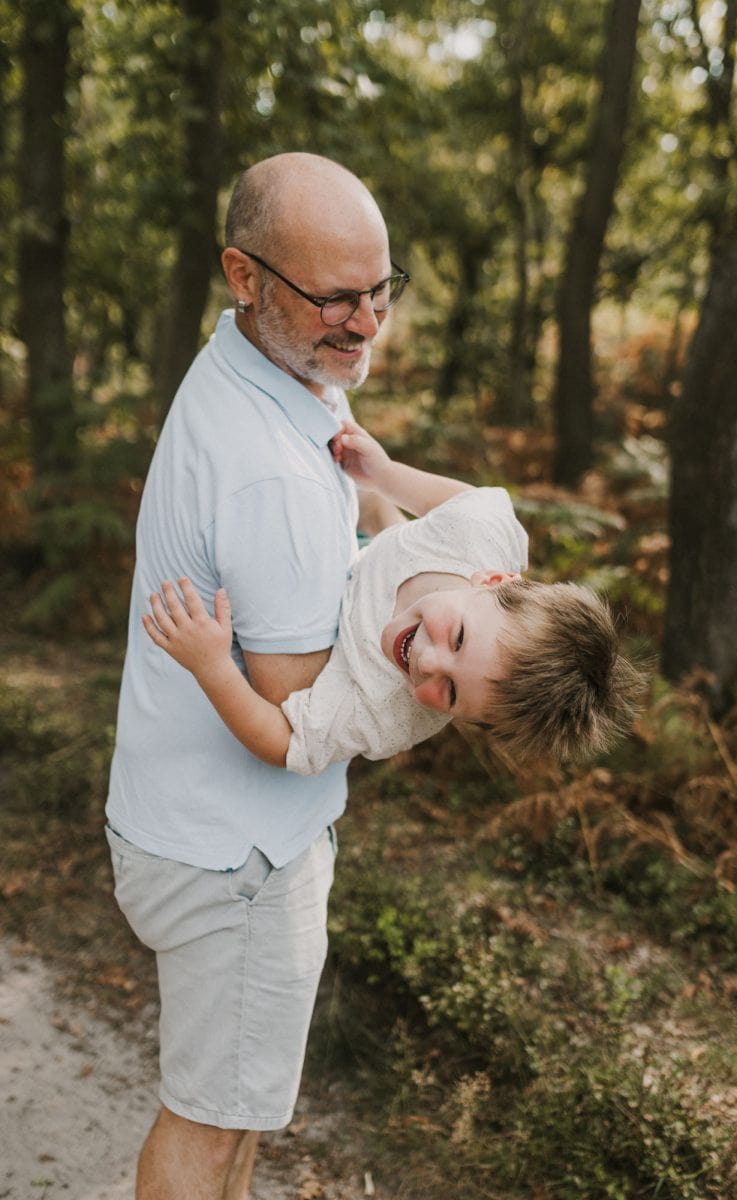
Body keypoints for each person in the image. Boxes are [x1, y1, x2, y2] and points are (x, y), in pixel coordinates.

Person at [105, 153, 410, 1200]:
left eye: (380, 289)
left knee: (235, 1111)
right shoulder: (266, 472)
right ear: (244, 276)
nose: (366, 323)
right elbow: (301, 706)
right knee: (208, 1124)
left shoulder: (265, 368)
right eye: (335, 298)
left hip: (195, 825)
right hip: (236, 858)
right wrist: (447, 637)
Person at [143, 421, 642, 774]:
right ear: (493, 579)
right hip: (378, 551)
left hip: (336, 615)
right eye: (459, 638)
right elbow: (465, 500)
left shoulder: (387, 715)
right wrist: (383, 474)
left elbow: (283, 743)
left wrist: (212, 666)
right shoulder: (480, 534)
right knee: (366, 504)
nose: (427, 663)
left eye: (450, 693)